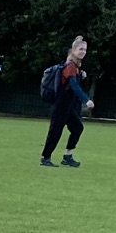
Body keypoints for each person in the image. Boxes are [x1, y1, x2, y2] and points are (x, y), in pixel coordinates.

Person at [41, 35, 93, 167]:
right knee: (55, 132)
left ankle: (68, 156)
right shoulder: (70, 66)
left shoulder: (75, 67)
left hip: (68, 106)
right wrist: (86, 100)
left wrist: (81, 75)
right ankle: (45, 157)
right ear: (74, 51)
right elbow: (74, 86)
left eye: (85, 50)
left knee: (77, 128)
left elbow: (73, 83)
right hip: (61, 105)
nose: (83, 52)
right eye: (80, 49)